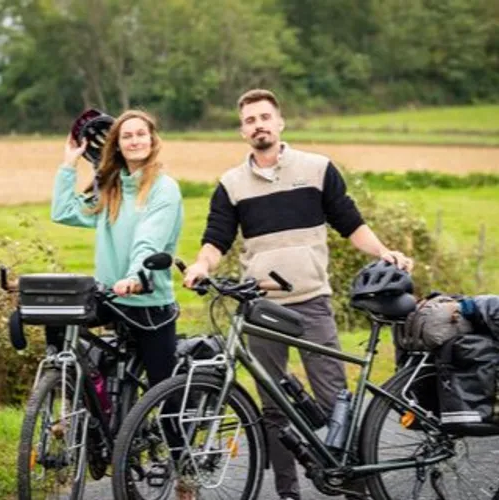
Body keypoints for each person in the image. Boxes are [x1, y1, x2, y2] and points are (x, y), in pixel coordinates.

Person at [184, 89, 413, 500]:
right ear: (242, 131)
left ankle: (354, 487)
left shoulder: (318, 168)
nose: (259, 125)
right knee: (273, 407)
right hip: (261, 306)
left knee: (333, 398)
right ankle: (288, 493)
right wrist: (201, 265)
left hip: (312, 299)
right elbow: (216, 237)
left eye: (265, 117)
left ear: (280, 122)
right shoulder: (231, 184)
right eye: (250, 120)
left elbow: (349, 222)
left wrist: (384, 252)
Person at [50, 109, 183, 389]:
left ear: (152, 140)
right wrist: (69, 165)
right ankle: (93, 398)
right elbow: (63, 212)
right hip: (111, 297)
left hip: (148, 302)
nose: (135, 141)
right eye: (127, 136)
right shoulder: (111, 189)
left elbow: (148, 241)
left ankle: (170, 431)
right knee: (57, 320)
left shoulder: (164, 189)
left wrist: (135, 278)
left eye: (140, 134)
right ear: (118, 144)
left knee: (164, 392)